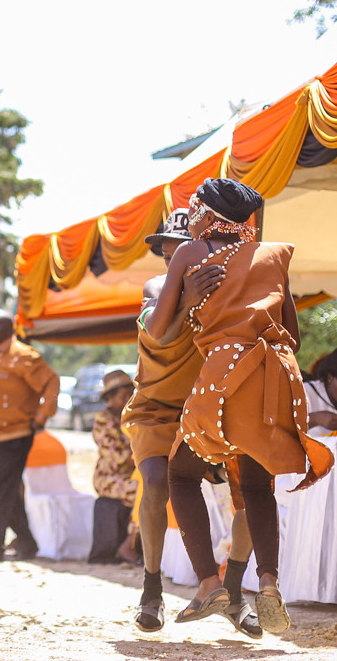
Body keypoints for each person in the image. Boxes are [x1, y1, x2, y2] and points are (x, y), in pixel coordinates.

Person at [146, 178, 334, 634]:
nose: (191, 218)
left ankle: (210, 584)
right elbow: (292, 329)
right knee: (255, 485)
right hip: (274, 375)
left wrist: (196, 302)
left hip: (224, 373)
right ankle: (267, 582)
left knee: (181, 474)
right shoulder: (274, 256)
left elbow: (155, 328)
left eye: (195, 210)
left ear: (208, 215)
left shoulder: (192, 252)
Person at [123, 207, 260, 637]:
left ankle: (233, 589)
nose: (173, 263)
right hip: (156, 408)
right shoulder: (155, 287)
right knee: (157, 482)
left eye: (181, 253)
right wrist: (184, 299)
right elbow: (158, 331)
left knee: (252, 492)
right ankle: (151, 590)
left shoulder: (225, 286)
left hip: (211, 408)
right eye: (168, 257)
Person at [0, 310, 59, 563]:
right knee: (5, 490)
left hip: (13, 435)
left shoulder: (23, 356)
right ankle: (27, 543)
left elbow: (52, 382)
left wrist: (42, 416)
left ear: (9, 329)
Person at [89, 370, 139, 564]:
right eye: (122, 396)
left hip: (135, 473)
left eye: (130, 395)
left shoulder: (132, 416)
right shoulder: (103, 420)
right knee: (142, 493)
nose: (128, 400)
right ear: (109, 398)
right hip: (109, 478)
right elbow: (118, 459)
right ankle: (128, 545)